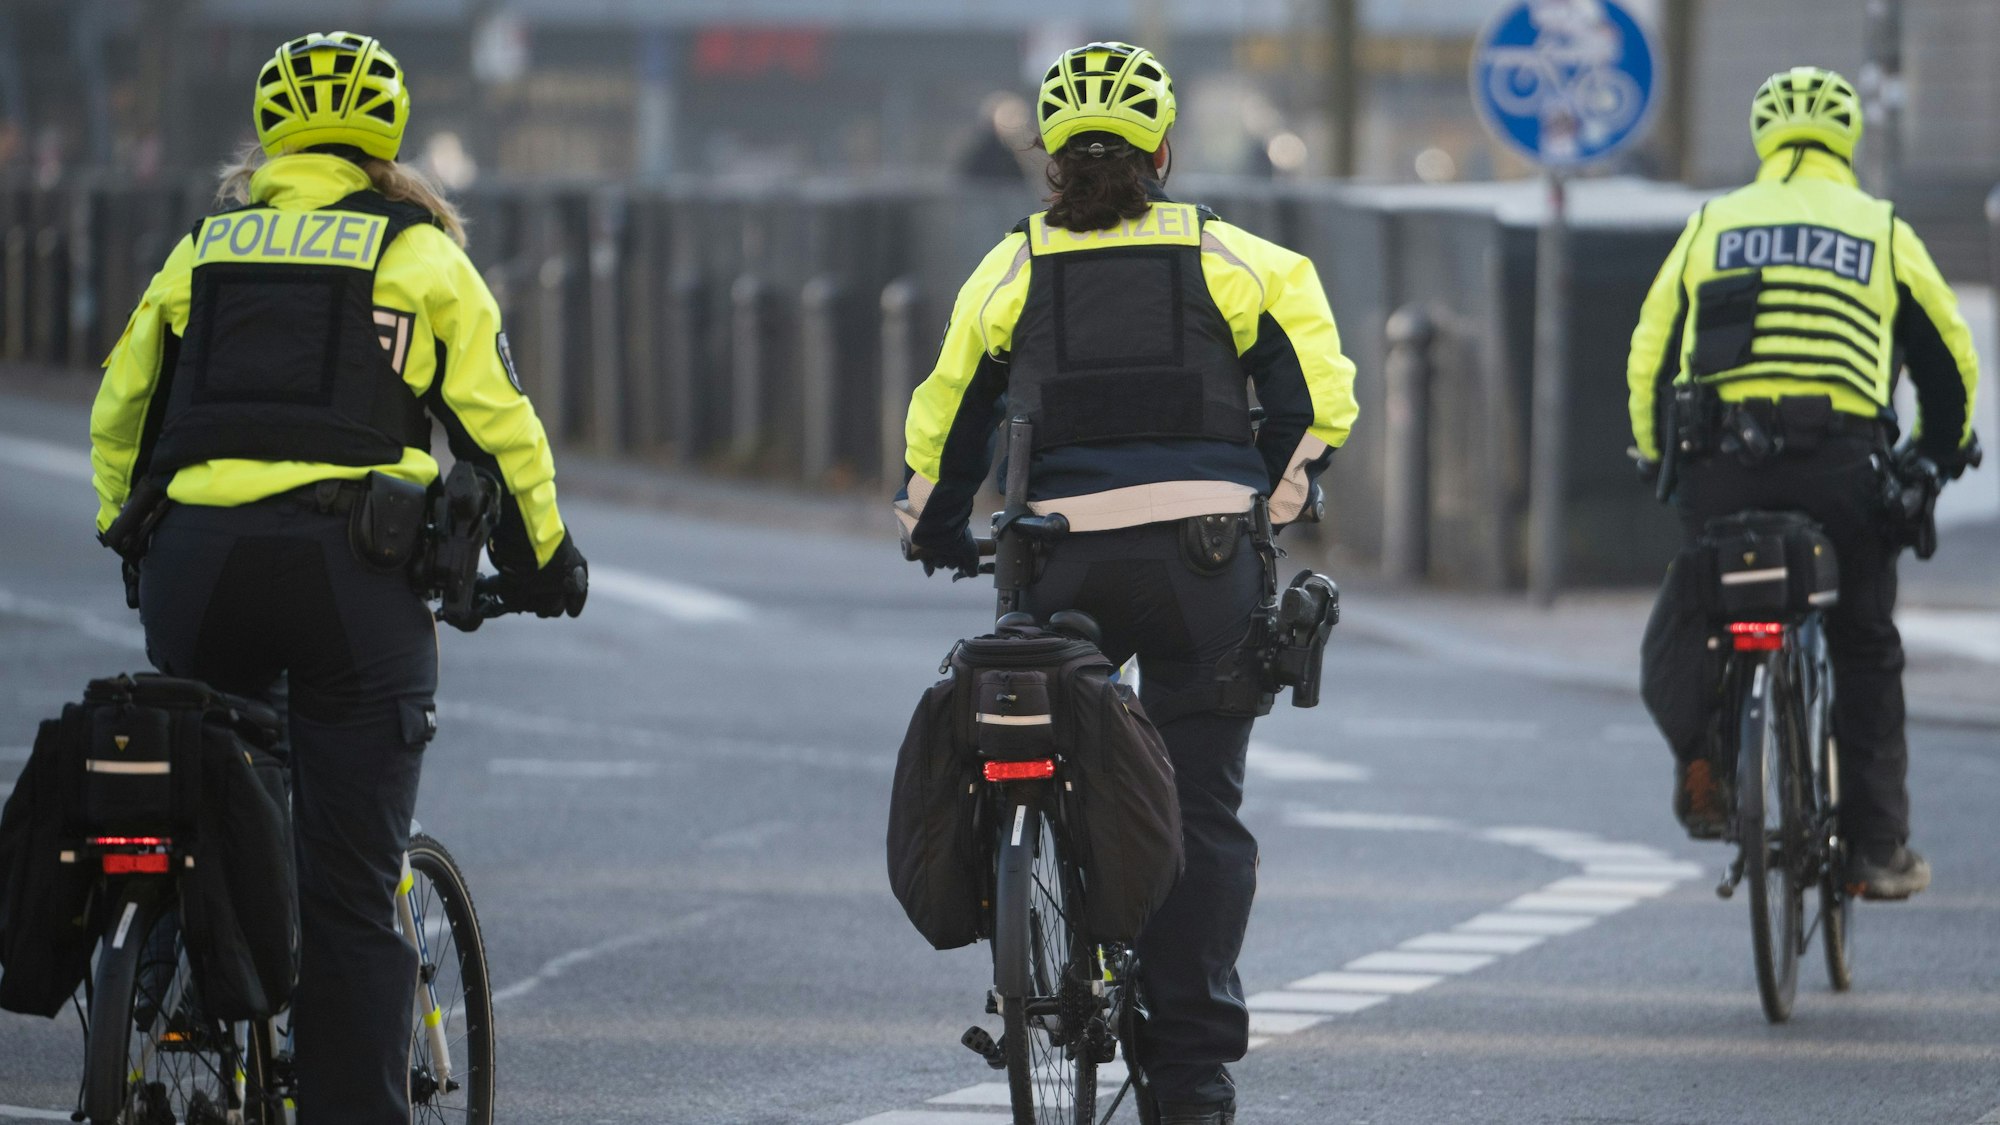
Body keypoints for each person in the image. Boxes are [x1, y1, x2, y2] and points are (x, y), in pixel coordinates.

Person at [89, 31, 586, 1123]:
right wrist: (544, 561)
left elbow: (122, 409)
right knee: (354, 887)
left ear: (271, 136)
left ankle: (175, 985)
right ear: (388, 140)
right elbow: (502, 432)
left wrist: (128, 532)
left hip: (197, 573)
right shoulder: (415, 255)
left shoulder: (205, 247)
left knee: (205, 795)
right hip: (348, 579)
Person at [896, 41, 1358, 1125]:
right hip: (1204, 560)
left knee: (1064, 754)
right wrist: (1267, 509)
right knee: (1198, 808)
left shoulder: (1010, 271)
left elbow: (947, 419)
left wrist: (929, 527)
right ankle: (1189, 1079)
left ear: (1047, 163)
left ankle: (1065, 933)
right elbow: (1316, 401)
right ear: (1163, 151)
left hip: (1059, 556)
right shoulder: (1232, 258)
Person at [1627, 66, 1980, 900]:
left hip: (1719, 466)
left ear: (1761, 138)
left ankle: (1707, 764)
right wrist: (1937, 451)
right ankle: (1874, 850)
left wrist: (1656, 456)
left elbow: (1652, 349)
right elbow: (1949, 360)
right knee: (1862, 642)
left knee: (1704, 612)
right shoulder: (1879, 227)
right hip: (1840, 467)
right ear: (1849, 137)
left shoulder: (1713, 222)